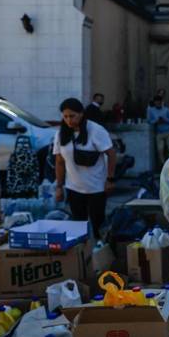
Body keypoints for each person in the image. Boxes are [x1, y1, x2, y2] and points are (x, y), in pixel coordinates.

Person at [53, 98, 117, 238]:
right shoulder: (61, 134)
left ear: (81, 114)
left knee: (98, 227)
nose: (69, 120)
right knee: (78, 229)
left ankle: (102, 255)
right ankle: (83, 256)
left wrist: (110, 179)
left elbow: (111, 154)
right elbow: (59, 161)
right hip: (73, 189)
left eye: (72, 116)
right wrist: (59, 186)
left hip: (96, 189)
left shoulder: (96, 130)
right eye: (65, 117)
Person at [146, 95, 169, 165]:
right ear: (154, 102)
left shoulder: (166, 110)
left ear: (162, 102)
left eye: (159, 102)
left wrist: (165, 120)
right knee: (160, 150)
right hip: (159, 132)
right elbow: (149, 121)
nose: (158, 103)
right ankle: (162, 165)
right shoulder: (151, 110)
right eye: (157, 102)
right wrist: (156, 121)